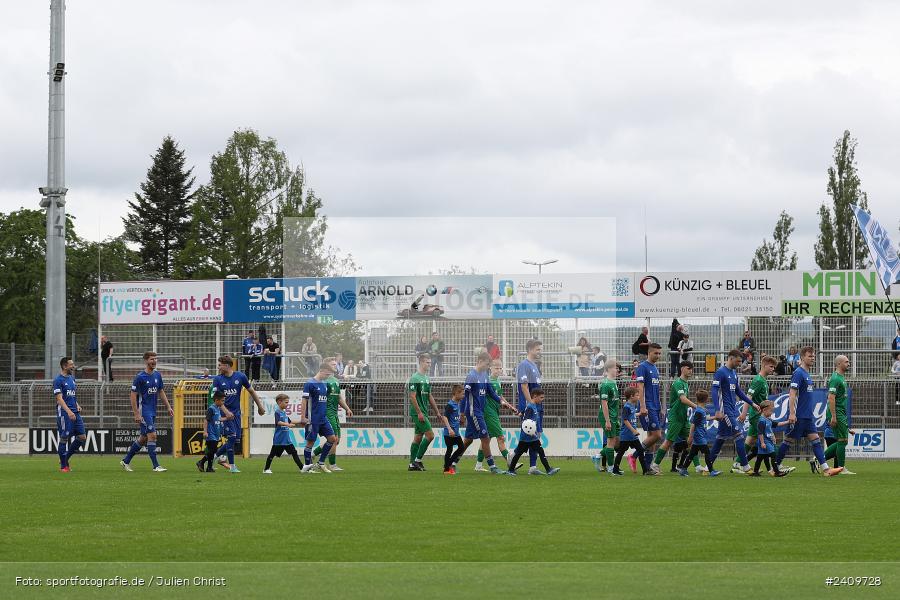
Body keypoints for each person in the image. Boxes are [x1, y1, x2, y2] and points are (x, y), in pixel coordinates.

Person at [773, 346, 842, 477]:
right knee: (788, 441)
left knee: (815, 439)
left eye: (813, 356)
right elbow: (792, 394)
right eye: (810, 356)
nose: (812, 358)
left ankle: (826, 469)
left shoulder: (806, 374)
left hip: (807, 416)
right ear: (802, 358)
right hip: (799, 415)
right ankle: (775, 467)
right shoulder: (798, 373)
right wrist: (792, 413)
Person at [120, 351, 174, 472]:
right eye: (151, 359)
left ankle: (125, 460)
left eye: (155, 359)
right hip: (144, 411)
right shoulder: (140, 377)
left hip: (152, 410)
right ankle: (156, 466)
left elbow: (161, 391)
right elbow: (133, 396)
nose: (154, 361)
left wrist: (169, 407)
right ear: (146, 361)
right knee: (152, 435)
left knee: (143, 438)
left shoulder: (157, 375)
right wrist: (136, 413)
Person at [707, 349, 758, 475]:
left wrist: (752, 403)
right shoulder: (720, 372)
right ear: (730, 358)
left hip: (732, 410)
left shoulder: (734, 373)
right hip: (725, 411)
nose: (740, 364)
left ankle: (708, 467)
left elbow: (738, 392)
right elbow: (714, 391)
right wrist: (718, 410)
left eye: (741, 361)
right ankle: (745, 466)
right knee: (739, 435)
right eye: (738, 361)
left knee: (720, 439)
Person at [212, 355, 266, 473]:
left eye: (220, 364)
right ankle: (232, 466)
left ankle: (212, 457)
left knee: (236, 440)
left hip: (236, 414)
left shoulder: (240, 377)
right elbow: (215, 398)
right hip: (225, 414)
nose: (218, 366)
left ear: (227, 365)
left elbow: (251, 391)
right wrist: (226, 412)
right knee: (231, 438)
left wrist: (260, 407)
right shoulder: (217, 379)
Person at [460, 351, 505, 474]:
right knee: (485, 438)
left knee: (468, 440)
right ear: (480, 361)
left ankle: (451, 462)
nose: (487, 367)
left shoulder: (484, 374)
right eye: (486, 364)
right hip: (474, 412)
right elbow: (465, 396)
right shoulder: (472, 376)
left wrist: (501, 402)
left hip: (480, 411)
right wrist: (462, 414)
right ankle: (492, 467)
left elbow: (491, 391)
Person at [649, 360, 698, 474]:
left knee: (691, 441)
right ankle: (655, 465)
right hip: (676, 418)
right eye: (688, 368)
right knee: (668, 442)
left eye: (691, 368)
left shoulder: (685, 383)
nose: (690, 370)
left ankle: (698, 467)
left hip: (683, 418)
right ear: (682, 369)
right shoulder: (677, 383)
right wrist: (697, 406)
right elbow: (682, 399)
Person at [407, 354, 451, 471]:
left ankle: (412, 464)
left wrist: (437, 412)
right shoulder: (414, 378)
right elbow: (412, 397)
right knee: (430, 435)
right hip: (418, 412)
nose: (429, 365)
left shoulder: (426, 378)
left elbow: (429, 395)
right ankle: (417, 460)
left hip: (424, 412)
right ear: (421, 362)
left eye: (430, 363)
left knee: (418, 437)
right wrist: (419, 412)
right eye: (427, 362)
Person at [474, 360, 519, 471]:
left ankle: (478, 465)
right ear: (490, 368)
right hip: (489, 413)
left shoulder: (498, 381)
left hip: (494, 411)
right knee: (501, 437)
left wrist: (510, 406)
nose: (498, 370)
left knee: (486, 440)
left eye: (500, 368)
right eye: (496, 368)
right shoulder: (487, 381)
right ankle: (511, 463)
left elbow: (499, 396)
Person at [743, 356, 785, 469]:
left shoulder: (763, 380)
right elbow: (748, 397)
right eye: (771, 366)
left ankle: (739, 463)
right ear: (764, 365)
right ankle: (776, 466)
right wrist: (743, 413)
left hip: (759, 414)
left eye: (774, 367)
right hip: (757, 415)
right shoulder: (758, 380)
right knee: (769, 437)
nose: (773, 369)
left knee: (751, 440)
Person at [505, 388, 559, 475]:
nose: (542, 399)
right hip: (526, 437)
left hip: (532, 437)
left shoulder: (533, 406)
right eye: (541, 397)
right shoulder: (530, 407)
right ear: (534, 396)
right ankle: (510, 470)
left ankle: (549, 469)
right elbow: (525, 421)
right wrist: (531, 432)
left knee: (540, 451)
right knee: (518, 453)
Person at [313, 357, 353, 471]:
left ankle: (314, 454)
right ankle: (331, 464)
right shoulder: (323, 381)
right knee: (334, 439)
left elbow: (339, 397)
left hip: (335, 413)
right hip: (327, 413)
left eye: (336, 364)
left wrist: (347, 409)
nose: (335, 366)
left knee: (337, 440)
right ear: (327, 367)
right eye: (333, 364)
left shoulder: (335, 380)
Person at [300, 364, 338, 473]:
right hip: (313, 419)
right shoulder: (309, 383)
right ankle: (307, 467)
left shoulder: (325, 384)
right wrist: (303, 417)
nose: (327, 376)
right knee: (310, 443)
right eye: (327, 374)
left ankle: (320, 463)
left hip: (323, 418)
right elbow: (304, 400)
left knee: (332, 439)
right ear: (321, 370)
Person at [823, 355, 855, 476]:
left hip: (840, 412)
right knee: (842, 440)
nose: (848, 363)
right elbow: (831, 397)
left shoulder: (841, 378)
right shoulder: (835, 378)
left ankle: (818, 459)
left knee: (842, 440)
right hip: (837, 412)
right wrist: (834, 416)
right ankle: (841, 468)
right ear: (839, 364)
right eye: (846, 362)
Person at [634, 343, 663, 471]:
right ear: (649, 353)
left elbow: (656, 389)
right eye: (655, 353)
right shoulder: (642, 367)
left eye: (659, 353)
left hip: (655, 406)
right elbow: (640, 387)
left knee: (651, 437)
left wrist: (660, 407)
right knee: (657, 435)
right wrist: (643, 406)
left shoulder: (655, 368)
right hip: (648, 405)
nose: (658, 355)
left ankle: (648, 467)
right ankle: (633, 456)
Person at [676, 390, 718, 476]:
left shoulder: (700, 410)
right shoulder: (699, 411)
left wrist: (715, 417)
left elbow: (704, 419)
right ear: (706, 399)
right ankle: (711, 471)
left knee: (692, 454)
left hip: (699, 436)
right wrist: (690, 437)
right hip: (699, 437)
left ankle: (683, 469)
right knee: (707, 453)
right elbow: (693, 424)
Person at [54, 357, 85, 472]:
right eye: (71, 364)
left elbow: (71, 395)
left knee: (82, 437)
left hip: (74, 412)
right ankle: (64, 466)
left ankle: (64, 458)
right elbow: (59, 399)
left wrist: (77, 404)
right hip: (65, 413)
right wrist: (69, 411)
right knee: (64, 438)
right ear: (64, 366)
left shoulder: (72, 378)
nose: (73, 366)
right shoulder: (58, 380)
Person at [263, 394, 306, 474]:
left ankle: (302, 468)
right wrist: (288, 425)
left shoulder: (284, 412)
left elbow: (290, 421)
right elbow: (278, 422)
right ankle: (266, 469)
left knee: (294, 452)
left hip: (286, 439)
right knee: (272, 454)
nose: (287, 404)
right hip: (279, 439)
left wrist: (301, 422)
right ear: (279, 402)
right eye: (286, 402)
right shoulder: (277, 412)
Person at [611, 388, 648, 475]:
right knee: (621, 452)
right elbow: (625, 420)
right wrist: (634, 431)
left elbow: (632, 415)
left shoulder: (632, 406)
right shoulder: (626, 407)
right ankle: (615, 470)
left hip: (632, 436)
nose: (638, 397)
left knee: (640, 450)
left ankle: (645, 471)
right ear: (631, 396)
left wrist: (639, 414)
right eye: (637, 395)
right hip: (627, 435)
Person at [592, 360, 620, 474]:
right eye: (615, 368)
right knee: (610, 442)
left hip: (614, 416)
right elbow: (604, 403)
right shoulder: (606, 384)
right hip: (607, 416)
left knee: (616, 442)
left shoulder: (613, 382)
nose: (617, 370)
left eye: (618, 368)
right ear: (608, 369)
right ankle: (611, 468)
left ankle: (598, 456)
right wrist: (608, 420)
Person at [749, 401, 789, 477]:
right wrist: (762, 443)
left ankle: (755, 472)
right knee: (774, 455)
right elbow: (760, 433)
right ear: (764, 410)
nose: (772, 412)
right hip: (765, 442)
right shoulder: (761, 421)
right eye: (771, 411)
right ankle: (777, 472)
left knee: (760, 457)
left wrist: (788, 422)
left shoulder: (768, 419)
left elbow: (777, 424)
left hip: (768, 442)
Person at [196, 391, 233, 472]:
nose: (223, 402)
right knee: (212, 450)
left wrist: (227, 418)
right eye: (222, 400)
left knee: (212, 451)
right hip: (210, 433)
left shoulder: (217, 409)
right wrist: (205, 432)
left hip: (216, 434)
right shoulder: (211, 409)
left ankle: (205, 465)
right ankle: (204, 464)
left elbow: (219, 419)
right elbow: (206, 420)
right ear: (217, 400)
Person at [442, 384, 465, 474]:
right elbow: (445, 417)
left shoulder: (457, 404)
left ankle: (447, 465)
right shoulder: (450, 405)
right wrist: (450, 429)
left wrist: (460, 420)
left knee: (461, 447)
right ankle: (446, 469)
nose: (463, 396)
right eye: (462, 394)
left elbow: (454, 417)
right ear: (456, 393)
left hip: (455, 432)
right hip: (449, 433)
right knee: (450, 449)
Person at [516, 339, 543, 414]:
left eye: (540, 349)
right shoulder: (524, 365)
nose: (540, 352)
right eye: (537, 350)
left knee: (538, 426)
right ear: (530, 350)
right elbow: (524, 387)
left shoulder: (534, 365)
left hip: (537, 406)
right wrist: (531, 404)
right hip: (529, 408)